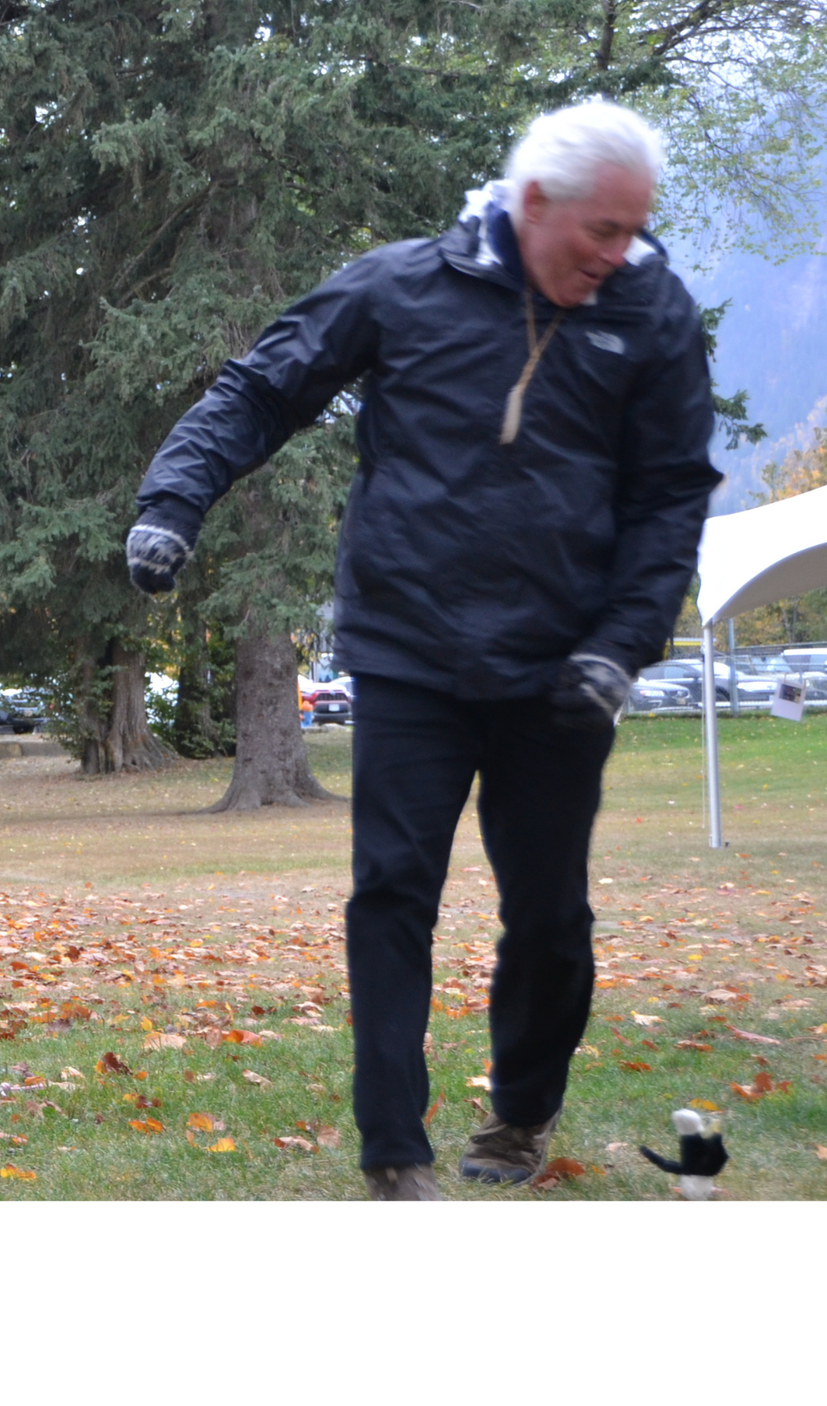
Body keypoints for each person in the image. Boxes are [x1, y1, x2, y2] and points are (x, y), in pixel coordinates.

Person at [124, 101, 717, 1200]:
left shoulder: (652, 313)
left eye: (633, 230)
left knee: (548, 913)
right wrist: (173, 501)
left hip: (561, 666)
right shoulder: (402, 284)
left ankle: (521, 1111)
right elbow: (264, 385)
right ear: (532, 204)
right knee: (392, 888)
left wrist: (620, 643)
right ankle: (393, 1149)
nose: (616, 253)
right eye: (599, 229)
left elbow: (671, 493)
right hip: (410, 648)